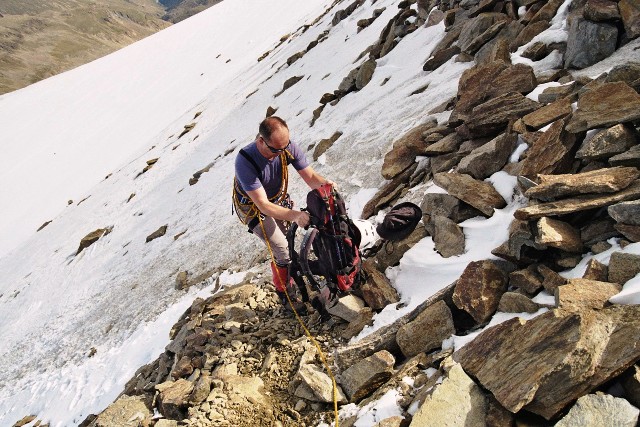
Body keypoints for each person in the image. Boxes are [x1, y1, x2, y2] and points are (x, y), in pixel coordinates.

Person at [233, 116, 335, 312]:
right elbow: (263, 205)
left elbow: (311, 176)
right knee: (281, 249)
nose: (281, 152)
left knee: (288, 242)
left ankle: (292, 273)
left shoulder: (285, 147)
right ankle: (285, 294)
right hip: (254, 208)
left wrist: (327, 187)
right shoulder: (245, 161)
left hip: (277, 198)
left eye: (285, 147)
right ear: (261, 141)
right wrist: (295, 215)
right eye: (275, 150)